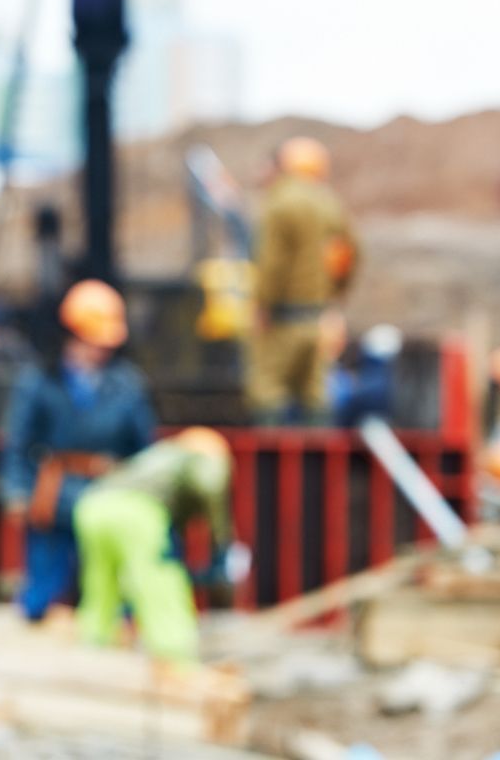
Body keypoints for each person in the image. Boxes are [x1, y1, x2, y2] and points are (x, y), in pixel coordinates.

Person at [0, 279, 157, 621]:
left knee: (112, 590)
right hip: (55, 495)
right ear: (72, 333)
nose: (99, 350)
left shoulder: (127, 385)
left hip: (109, 493)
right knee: (43, 594)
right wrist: (15, 490)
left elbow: (143, 449)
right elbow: (18, 442)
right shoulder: (39, 381)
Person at [73, 427, 241, 663]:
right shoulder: (203, 459)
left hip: (93, 504)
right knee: (158, 579)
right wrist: (221, 543)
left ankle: (94, 647)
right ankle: (175, 655)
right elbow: (209, 485)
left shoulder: (158, 454)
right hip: (137, 512)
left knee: (101, 581)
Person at [248, 136, 359, 424]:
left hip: (283, 318)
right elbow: (349, 253)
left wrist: (262, 305)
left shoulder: (279, 202)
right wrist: (337, 292)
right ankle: (317, 467)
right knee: (317, 395)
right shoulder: (330, 203)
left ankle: (270, 467)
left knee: (267, 392)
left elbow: (273, 263)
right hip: (319, 319)